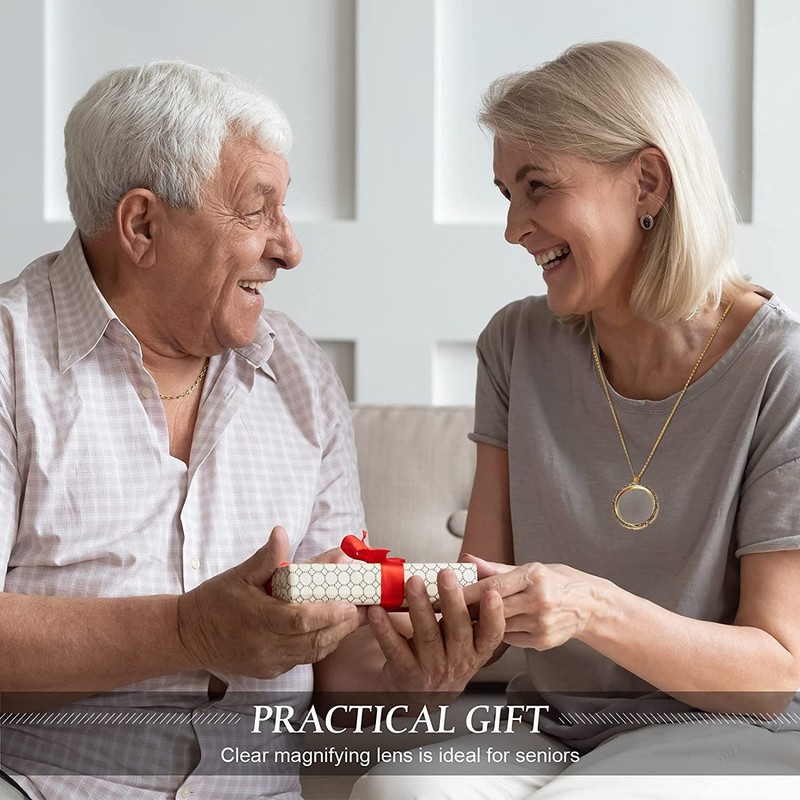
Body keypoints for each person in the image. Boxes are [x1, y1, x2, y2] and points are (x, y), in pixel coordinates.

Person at [0, 61, 504, 800]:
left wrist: (416, 682)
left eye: (284, 210)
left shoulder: (298, 374)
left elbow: (340, 679)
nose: (289, 248)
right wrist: (187, 631)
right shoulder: (11, 359)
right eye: (256, 211)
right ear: (142, 226)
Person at [350, 40, 800, 799]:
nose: (513, 227)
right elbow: (485, 598)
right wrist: (418, 627)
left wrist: (591, 606)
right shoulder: (516, 345)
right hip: (554, 724)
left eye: (538, 187)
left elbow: (772, 673)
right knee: (399, 790)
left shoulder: (780, 368)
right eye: (506, 194)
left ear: (647, 182)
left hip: (728, 731)